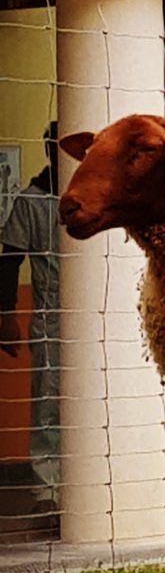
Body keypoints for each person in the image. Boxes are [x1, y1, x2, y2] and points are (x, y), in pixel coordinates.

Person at [0, 124, 61, 508]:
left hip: (102, 321)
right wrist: (7, 314)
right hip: (50, 320)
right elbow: (9, 261)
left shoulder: (102, 196)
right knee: (49, 405)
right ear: (51, 150)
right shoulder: (31, 201)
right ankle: (47, 491)